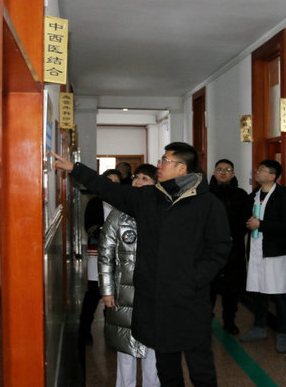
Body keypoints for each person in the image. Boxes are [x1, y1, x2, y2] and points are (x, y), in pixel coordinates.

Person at [51, 142, 231, 387]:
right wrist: (75, 169)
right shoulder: (150, 198)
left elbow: (219, 248)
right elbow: (109, 190)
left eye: (165, 160)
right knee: (166, 365)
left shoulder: (208, 204)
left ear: (181, 168)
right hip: (155, 299)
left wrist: (194, 277)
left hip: (190, 298)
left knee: (200, 366)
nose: (159, 165)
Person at [99, 164, 160, 387]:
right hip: (123, 294)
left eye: (145, 179)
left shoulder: (162, 212)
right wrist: (107, 290)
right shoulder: (117, 214)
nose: (138, 182)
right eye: (136, 177)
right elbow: (105, 255)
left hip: (153, 292)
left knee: (154, 349)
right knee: (125, 349)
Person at [239, 160, 286, 354]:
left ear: (272, 176)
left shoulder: (284, 195)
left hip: (275, 252)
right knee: (258, 290)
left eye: (261, 170)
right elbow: (244, 217)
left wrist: (261, 225)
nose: (257, 172)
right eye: (257, 169)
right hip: (256, 249)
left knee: (278, 294)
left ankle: (283, 334)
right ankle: (259, 328)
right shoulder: (253, 195)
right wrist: (248, 223)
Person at [80, 169, 122, 345]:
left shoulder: (124, 202)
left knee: (115, 293)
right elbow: (90, 227)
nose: (112, 185)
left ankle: (110, 329)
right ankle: (84, 331)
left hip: (119, 255)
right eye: (108, 181)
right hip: (97, 254)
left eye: (116, 182)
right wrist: (107, 234)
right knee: (94, 293)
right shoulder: (95, 202)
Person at [209, 159, 249, 335]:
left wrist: (233, 235)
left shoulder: (241, 195)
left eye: (227, 170)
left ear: (233, 173)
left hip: (234, 249)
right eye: (220, 169)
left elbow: (246, 220)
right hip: (210, 249)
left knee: (232, 289)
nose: (223, 172)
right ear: (214, 173)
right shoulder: (206, 194)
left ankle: (230, 321)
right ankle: (205, 319)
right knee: (209, 287)